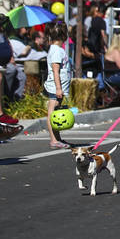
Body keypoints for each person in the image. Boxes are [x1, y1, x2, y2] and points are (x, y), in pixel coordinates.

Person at [43, 21, 72, 149]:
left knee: (56, 113)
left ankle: (57, 138)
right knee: (52, 113)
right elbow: (55, 70)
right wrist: (58, 88)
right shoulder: (56, 51)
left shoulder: (58, 50)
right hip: (55, 88)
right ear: (63, 36)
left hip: (58, 88)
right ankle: (54, 140)